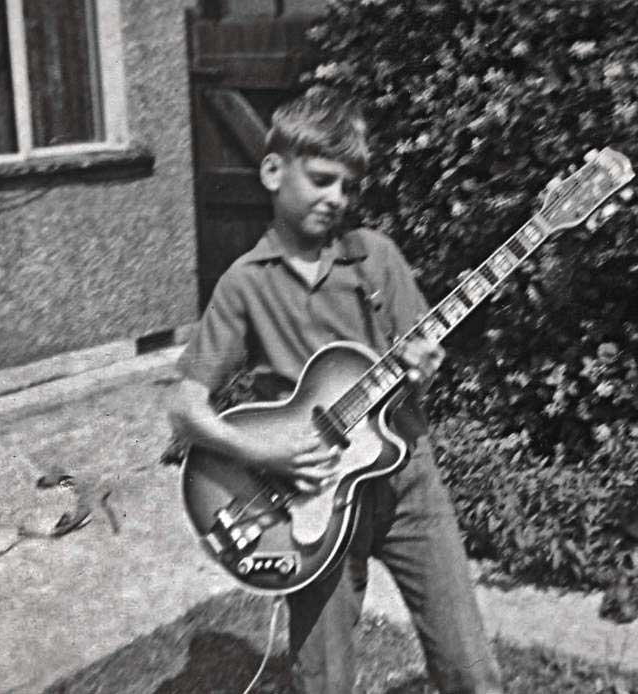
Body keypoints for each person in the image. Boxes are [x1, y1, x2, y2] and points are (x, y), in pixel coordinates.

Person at [169, 87, 503, 694]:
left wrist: (425, 361)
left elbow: (420, 346)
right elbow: (186, 410)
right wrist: (264, 454)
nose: (337, 199)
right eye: (323, 180)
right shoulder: (244, 283)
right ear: (273, 171)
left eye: (348, 187)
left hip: (408, 484)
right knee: (323, 680)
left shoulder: (376, 258)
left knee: (471, 669)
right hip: (308, 498)